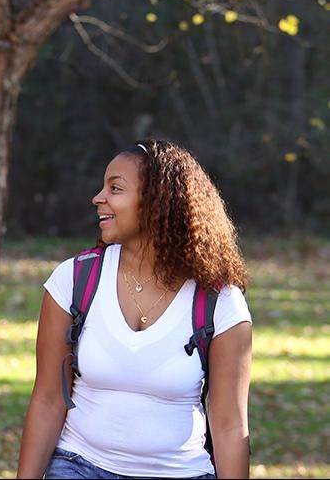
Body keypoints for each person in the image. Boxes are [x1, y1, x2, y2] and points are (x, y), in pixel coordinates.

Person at [16, 139, 253, 479]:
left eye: (115, 188)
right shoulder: (74, 279)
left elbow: (230, 425)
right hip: (79, 467)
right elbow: (48, 400)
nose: (98, 198)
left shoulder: (220, 302)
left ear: (158, 203)